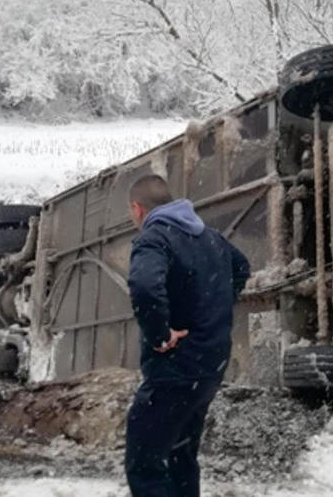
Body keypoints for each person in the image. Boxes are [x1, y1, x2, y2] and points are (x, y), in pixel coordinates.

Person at [123, 175, 250, 497]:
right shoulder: (212, 238)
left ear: (137, 209)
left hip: (174, 367)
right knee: (181, 457)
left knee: (145, 464)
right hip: (209, 366)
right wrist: (212, 311)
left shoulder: (154, 238)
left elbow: (144, 286)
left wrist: (160, 335)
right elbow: (241, 267)